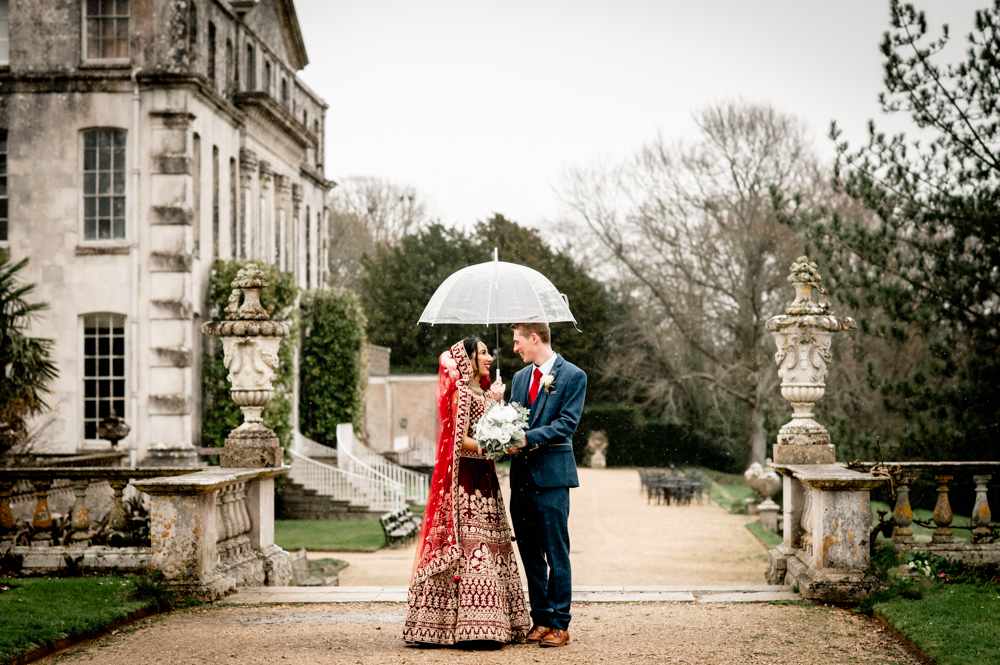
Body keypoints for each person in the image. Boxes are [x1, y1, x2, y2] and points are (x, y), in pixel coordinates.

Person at [403, 338, 530, 648]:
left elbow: (489, 427)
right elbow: (459, 441)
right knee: (471, 549)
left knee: (491, 546)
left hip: (486, 480)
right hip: (465, 483)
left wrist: (498, 405)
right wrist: (495, 445)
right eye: (483, 352)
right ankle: (459, 628)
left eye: (488, 351)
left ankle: (492, 624)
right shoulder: (461, 393)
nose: (489, 357)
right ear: (468, 359)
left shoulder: (482, 392)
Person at [507, 321, 586, 648]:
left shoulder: (573, 376)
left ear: (534, 338)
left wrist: (527, 438)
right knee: (529, 552)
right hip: (521, 479)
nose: (515, 348)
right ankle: (540, 618)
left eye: (517, 341)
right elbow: (511, 421)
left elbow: (566, 424)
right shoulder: (519, 378)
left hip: (552, 477)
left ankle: (559, 623)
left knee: (556, 551)